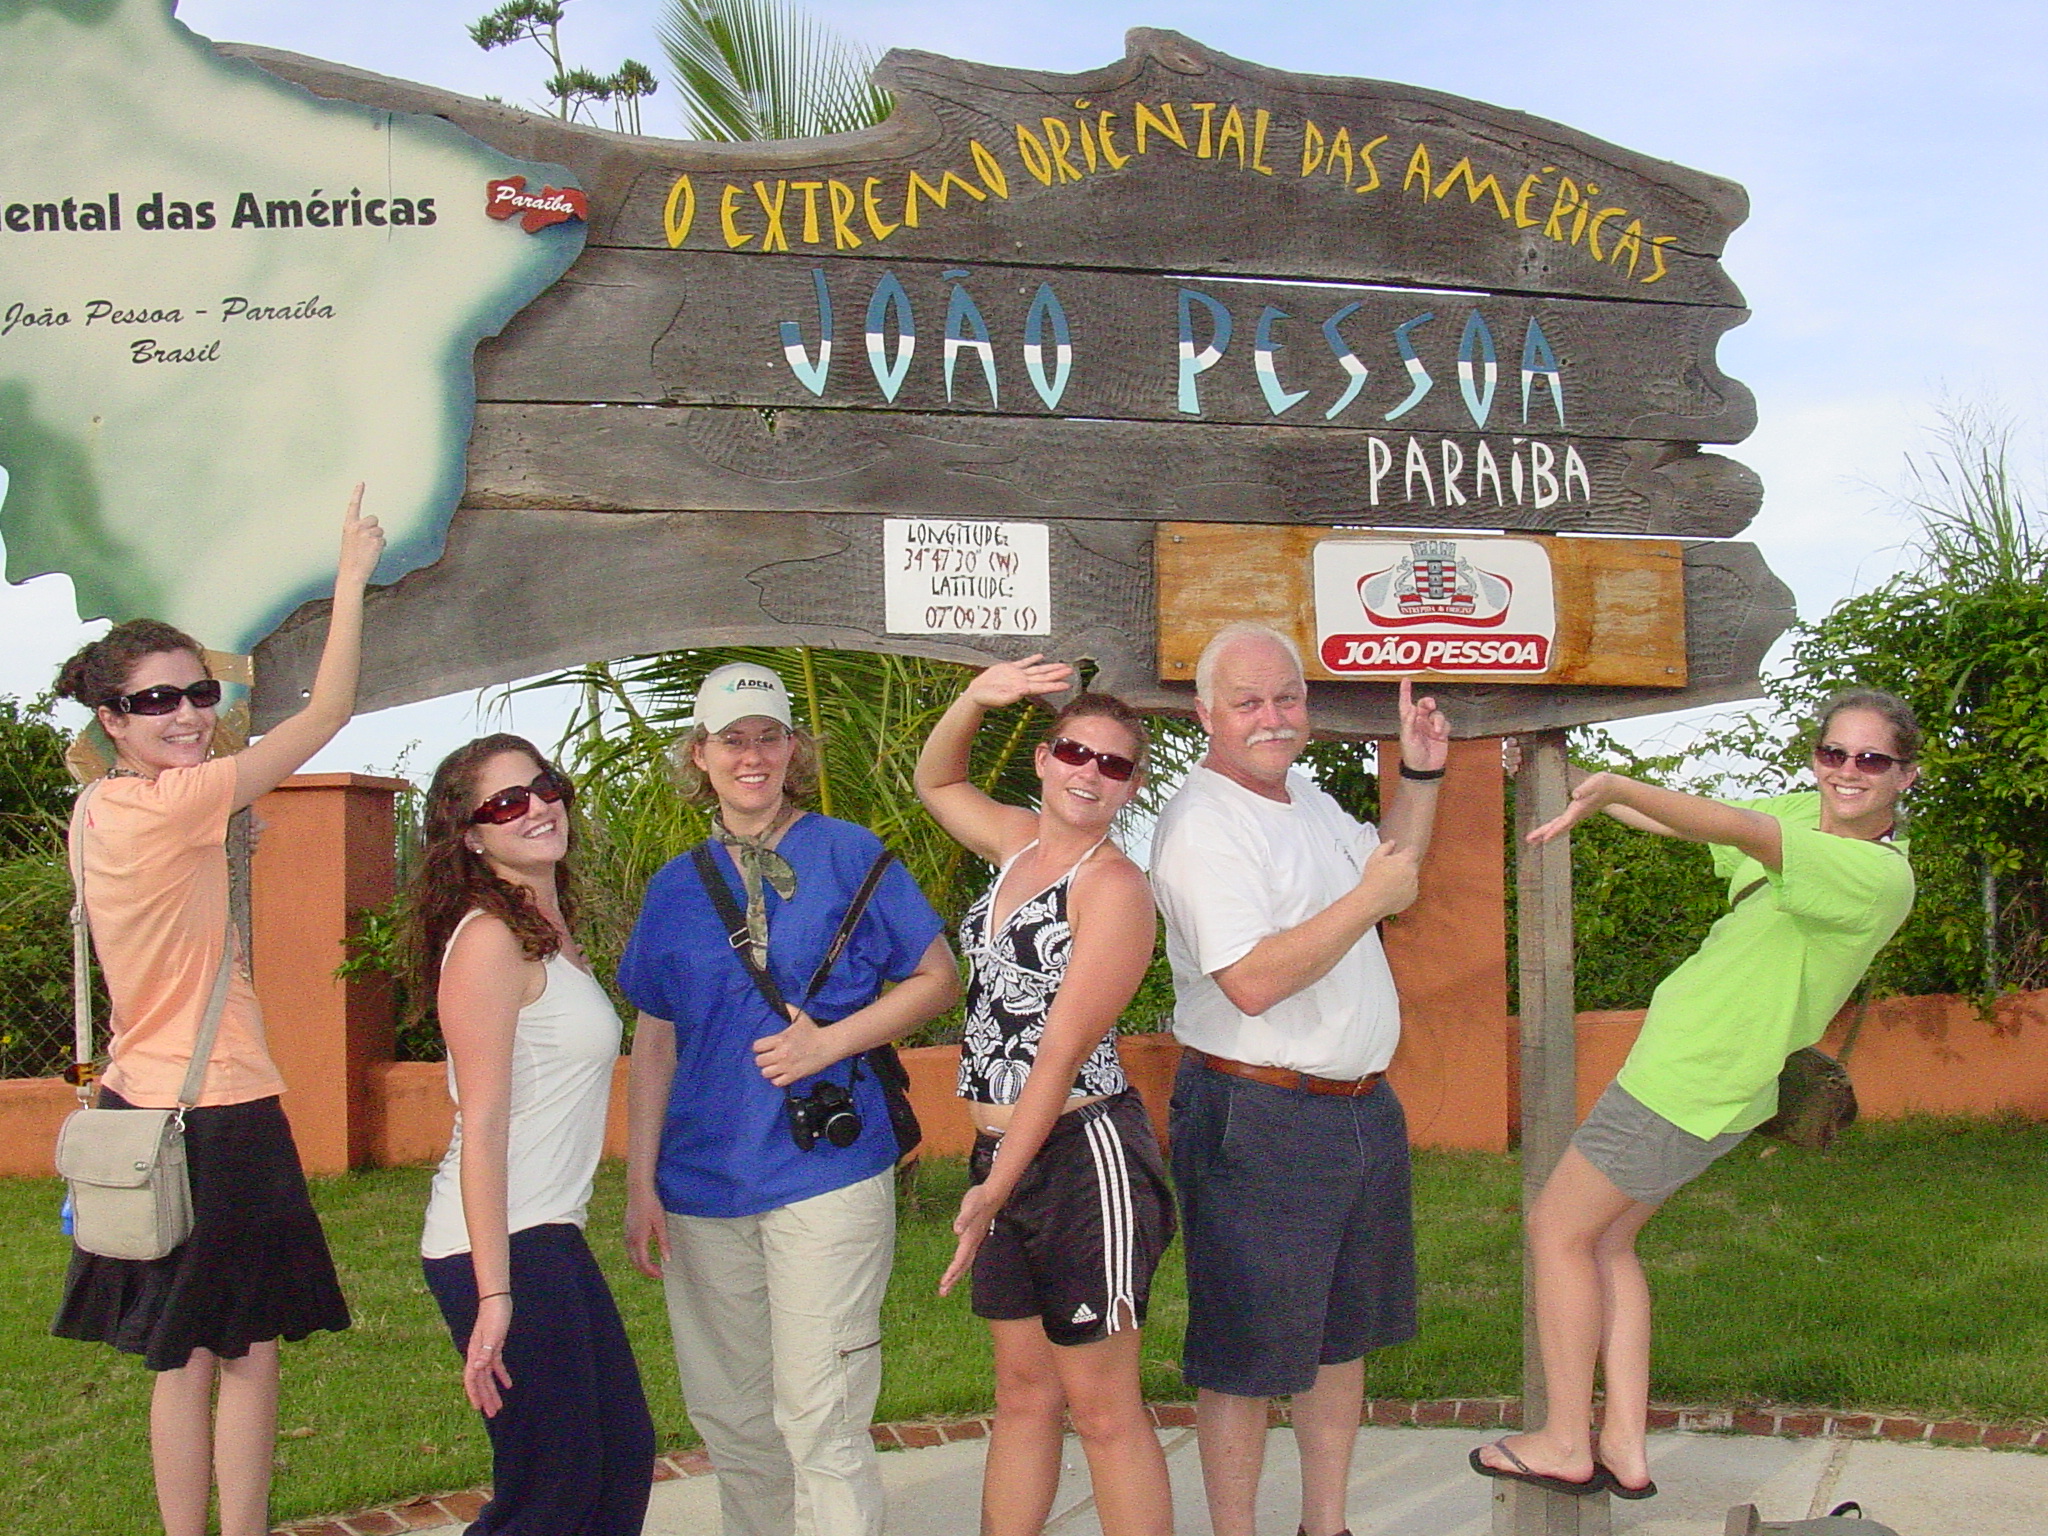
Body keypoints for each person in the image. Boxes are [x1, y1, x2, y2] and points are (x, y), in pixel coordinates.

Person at [1470, 690, 1919, 1501]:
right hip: (1711, 1076)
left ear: (1905, 778)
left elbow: (1741, 832)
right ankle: (1624, 1446)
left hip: (1693, 1077)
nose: (1847, 772)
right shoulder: (1802, 813)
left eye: (1871, 760)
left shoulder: (1875, 874)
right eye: (1833, 753)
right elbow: (1694, 821)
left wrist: (1618, 784)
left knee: (1556, 1230)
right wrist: (1578, 783)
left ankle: (1566, 1440)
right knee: (1609, 1244)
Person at [50, 488, 381, 1536]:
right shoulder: (183, 803)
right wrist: (349, 575)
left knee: (177, 1351)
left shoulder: (100, 804)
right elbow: (325, 716)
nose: (187, 714)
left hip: (136, 1101)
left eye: (195, 692)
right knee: (247, 1351)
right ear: (111, 718)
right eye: (155, 702)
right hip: (217, 1109)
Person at [619, 661, 959, 1536]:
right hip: (701, 1185)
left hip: (825, 1171)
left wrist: (830, 1042)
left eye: (769, 736)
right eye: (732, 740)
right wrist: (640, 1182)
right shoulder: (673, 889)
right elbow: (654, 1036)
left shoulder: (848, 852)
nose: (752, 755)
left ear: (793, 748)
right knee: (733, 1419)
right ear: (700, 755)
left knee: (823, 1415)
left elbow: (935, 977)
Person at [1148, 621, 1449, 1536]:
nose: (1272, 717)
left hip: (1358, 1111)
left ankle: (1328, 1526)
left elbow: (1393, 869)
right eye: (1247, 702)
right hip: (1256, 1112)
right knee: (1243, 1357)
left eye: (1286, 697)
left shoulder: (1305, 799)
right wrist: (1368, 901)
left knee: (1338, 1340)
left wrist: (1423, 775)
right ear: (1208, 714)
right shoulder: (1202, 825)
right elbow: (1253, 979)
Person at [915, 659, 1177, 1536]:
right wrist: (973, 699)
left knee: (1103, 1409)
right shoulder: (1016, 842)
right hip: (1005, 1153)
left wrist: (995, 1187)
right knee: (1023, 1395)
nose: (1089, 773)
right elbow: (936, 779)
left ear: (1132, 785)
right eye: (1075, 751)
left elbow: (1060, 1055)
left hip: (1081, 1158)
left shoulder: (1116, 889)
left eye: (1114, 764)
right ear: (1042, 757)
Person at [405, 735, 654, 1534]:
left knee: (614, 1461)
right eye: (505, 802)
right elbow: (479, 1125)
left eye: (542, 786)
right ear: (471, 834)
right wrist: (494, 1291)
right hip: (500, 1241)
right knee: (552, 1488)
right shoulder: (489, 939)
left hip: (549, 1230)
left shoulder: (548, 925)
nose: (537, 807)